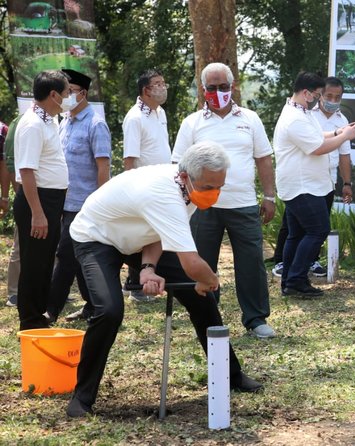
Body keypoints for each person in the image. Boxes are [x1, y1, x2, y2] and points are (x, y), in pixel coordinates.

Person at [65, 141, 263, 418]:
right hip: (97, 237)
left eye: (219, 186)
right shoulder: (163, 192)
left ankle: (231, 375)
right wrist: (211, 279)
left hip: (138, 236)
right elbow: (192, 264)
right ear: (185, 177)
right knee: (109, 310)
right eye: (208, 187)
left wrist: (148, 268)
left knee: (200, 299)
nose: (214, 193)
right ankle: (81, 398)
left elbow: (159, 231)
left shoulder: (189, 189)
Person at [171, 62, 277, 339]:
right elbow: (177, 166)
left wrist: (269, 196)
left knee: (252, 263)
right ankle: (207, 317)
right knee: (203, 263)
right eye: (212, 88)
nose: (218, 92)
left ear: (233, 87)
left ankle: (255, 319)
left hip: (242, 204)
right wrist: (181, 204)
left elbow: (264, 159)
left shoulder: (250, 119)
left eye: (224, 87)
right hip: (202, 206)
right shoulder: (192, 123)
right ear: (203, 89)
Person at [273, 72, 355, 297]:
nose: (319, 99)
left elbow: (317, 135)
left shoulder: (299, 111)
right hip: (302, 186)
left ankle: (289, 281)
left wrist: (337, 131)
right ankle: (297, 279)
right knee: (318, 229)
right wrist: (345, 136)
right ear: (305, 93)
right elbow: (317, 147)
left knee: (297, 234)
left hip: (307, 184)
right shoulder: (294, 118)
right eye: (318, 94)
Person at [45, 69, 112, 323]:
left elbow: (103, 168)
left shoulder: (96, 124)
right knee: (79, 255)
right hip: (64, 201)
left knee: (65, 256)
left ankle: (51, 310)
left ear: (82, 93)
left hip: (85, 204)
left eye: (69, 92)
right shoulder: (65, 123)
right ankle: (93, 305)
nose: (64, 97)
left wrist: (101, 205)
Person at [13, 70, 70, 331]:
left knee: (46, 261)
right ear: (54, 95)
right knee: (35, 262)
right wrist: (38, 213)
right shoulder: (33, 124)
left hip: (51, 200)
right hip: (38, 200)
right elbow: (27, 171)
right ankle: (30, 320)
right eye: (67, 93)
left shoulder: (50, 120)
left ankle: (40, 315)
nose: (70, 98)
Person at [122, 69, 171, 302]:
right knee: (143, 235)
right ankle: (135, 285)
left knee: (155, 234)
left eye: (163, 83)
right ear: (146, 90)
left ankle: (144, 281)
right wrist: (132, 190)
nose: (163, 87)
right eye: (158, 84)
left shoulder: (160, 112)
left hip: (163, 182)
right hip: (143, 185)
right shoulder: (135, 118)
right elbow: (129, 159)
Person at [4, 116, 20, 308]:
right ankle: (14, 291)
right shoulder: (20, 123)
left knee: (54, 246)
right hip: (27, 191)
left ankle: (51, 285)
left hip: (53, 195)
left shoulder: (59, 120)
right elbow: (10, 162)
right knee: (20, 244)